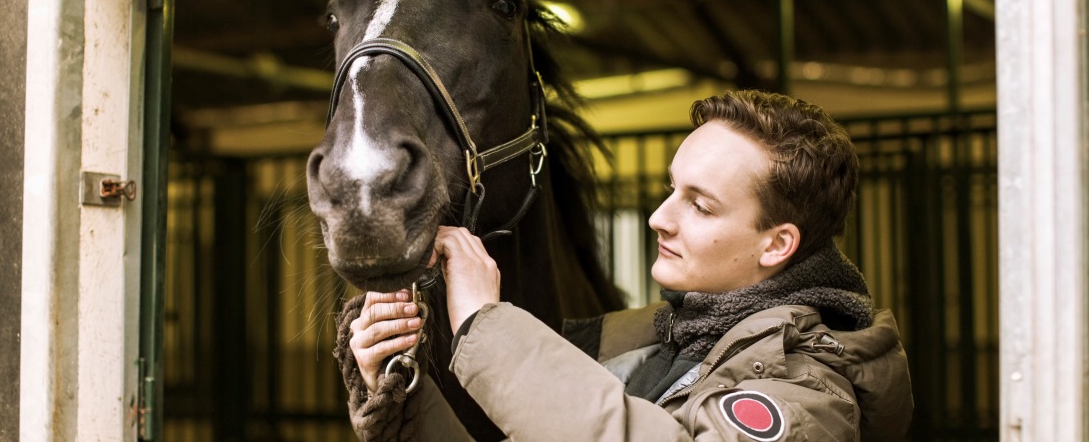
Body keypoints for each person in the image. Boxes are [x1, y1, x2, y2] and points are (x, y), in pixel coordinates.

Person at [337, 90, 913, 441]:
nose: (660, 217)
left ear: (776, 245)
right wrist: (398, 383)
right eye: (671, 190)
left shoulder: (813, 394)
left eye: (701, 204)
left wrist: (486, 326)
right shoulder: (642, 337)